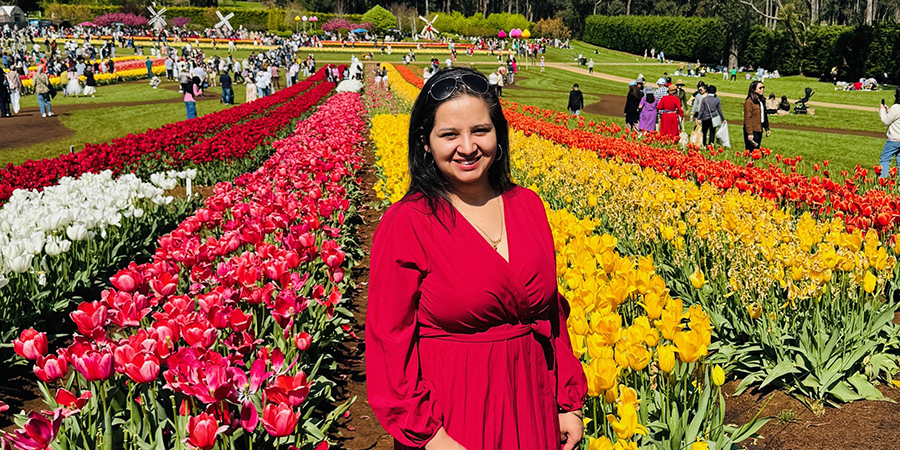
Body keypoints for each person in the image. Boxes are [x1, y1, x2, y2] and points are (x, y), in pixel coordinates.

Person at [366, 66, 587, 450]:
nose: (467, 147)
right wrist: (432, 437)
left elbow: (551, 316)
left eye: (480, 131)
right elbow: (389, 339)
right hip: (454, 417)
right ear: (425, 142)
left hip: (531, 401)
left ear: (498, 134)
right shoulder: (408, 223)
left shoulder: (527, 206)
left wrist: (567, 403)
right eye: (449, 134)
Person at [878, 87, 900, 178]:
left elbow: (885, 121)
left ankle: (882, 180)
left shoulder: (896, 107)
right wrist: (889, 111)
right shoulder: (895, 109)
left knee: (885, 160)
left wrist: (882, 111)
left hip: (894, 139)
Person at [743, 81, 770, 150]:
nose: (762, 89)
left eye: (763, 87)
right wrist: (749, 133)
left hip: (759, 128)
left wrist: (766, 128)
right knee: (751, 150)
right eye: (760, 88)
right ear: (753, 89)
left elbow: (764, 115)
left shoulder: (761, 101)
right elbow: (747, 118)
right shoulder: (749, 102)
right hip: (752, 130)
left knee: (757, 149)